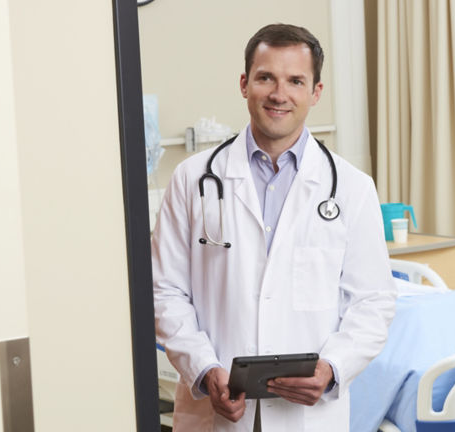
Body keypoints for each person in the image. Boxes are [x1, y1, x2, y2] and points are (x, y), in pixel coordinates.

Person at [152, 23, 397, 432]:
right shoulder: (192, 179)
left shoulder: (352, 188)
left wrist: (332, 367)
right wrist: (204, 368)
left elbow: (373, 301)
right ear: (245, 84)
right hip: (215, 412)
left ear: (316, 92)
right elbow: (165, 291)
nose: (279, 94)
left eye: (295, 81)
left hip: (307, 416)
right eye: (266, 77)